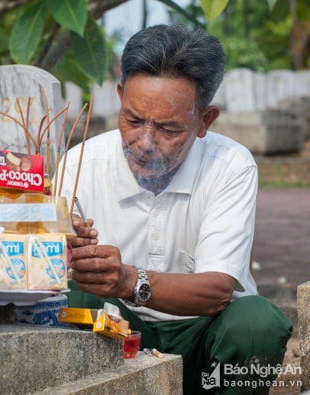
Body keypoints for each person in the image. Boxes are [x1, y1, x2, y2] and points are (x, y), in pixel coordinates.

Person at [57, 24, 292, 395]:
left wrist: (127, 280)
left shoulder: (231, 165)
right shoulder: (78, 164)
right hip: (120, 332)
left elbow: (217, 292)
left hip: (207, 335)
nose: (145, 143)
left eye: (169, 129)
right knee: (70, 297)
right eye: (132, 120)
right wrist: (64, 249)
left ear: (205, 120)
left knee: (256, 323)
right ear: (120, 96)